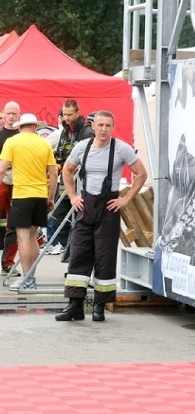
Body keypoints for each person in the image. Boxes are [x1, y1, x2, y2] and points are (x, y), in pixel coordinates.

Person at [55, 111, 147, 322]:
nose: (104, 129)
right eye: (101, 125)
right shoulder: (82, 147)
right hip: (86, 205)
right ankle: (75, 306)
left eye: (108, 125)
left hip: (109, 208)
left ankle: (99, 306)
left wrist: (125, 199)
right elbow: (66, 171)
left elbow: (141, 174)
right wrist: (72, 196)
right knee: (78, 254)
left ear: (112, 128)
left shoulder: (121, 148)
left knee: (105, 257)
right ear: (93, 126)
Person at [0, 113, 58, 292]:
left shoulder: (12, 142)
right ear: (35, 127)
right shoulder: (44, 143)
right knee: (33, 238)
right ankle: (31, 277)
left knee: (23, 239)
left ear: (19, 127)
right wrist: (50, 197)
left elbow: (2, 168)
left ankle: (27, 280)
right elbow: (54, 174)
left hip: (22, 195)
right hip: (40, 195)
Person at [46, 99, 95, 256]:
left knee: (79, 223)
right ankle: (74, 252)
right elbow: (60, 153)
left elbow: (90, 159)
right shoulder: (64, 131)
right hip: (65, 183)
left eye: (69, 114)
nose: (66, 118)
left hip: (82, 186)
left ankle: (77, 255)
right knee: (56, 218)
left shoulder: (87, 132)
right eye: (64, 114)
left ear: (78, 113)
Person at [0, 101, 21, 276]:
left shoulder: (24, 135)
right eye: (9, 113)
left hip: (19, 183)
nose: (12, 116)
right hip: (1, 181)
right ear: (4, 115)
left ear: (19, 115)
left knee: (14, 225)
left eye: (14, 113)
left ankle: (7, 263)